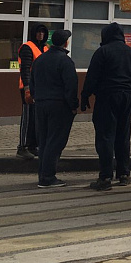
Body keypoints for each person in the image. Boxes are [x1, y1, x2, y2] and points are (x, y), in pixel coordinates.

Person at [81, 22, 131, 191]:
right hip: (127, 97)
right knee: (123, 136)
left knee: (105, 136)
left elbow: (92, 76)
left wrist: (85, 95)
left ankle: (105, 176)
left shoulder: (102, 52)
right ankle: (124, 174)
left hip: (107, 97)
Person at [30, 29, 78, 188]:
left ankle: (42, 175)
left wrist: (37, 98)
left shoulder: (40, 60)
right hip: (59, 105)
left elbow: (32, 83)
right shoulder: (65, 61)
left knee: (43, 141)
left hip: (41, 104)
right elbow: (70, 86)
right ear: (65, 42)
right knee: (55, 141)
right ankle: (48, 177)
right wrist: (73, 106)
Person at [17, 24, 49, 159]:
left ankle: (33, 145)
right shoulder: (27, 47)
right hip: (29, 87)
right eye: (38, 32)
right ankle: (22, 146)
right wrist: (27, 88)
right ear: (33, 33)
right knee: (28, 116)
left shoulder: (46, 48)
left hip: (42, 87)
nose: (40, 34)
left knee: (37, 118)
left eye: (43, 32)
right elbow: (25, 69)